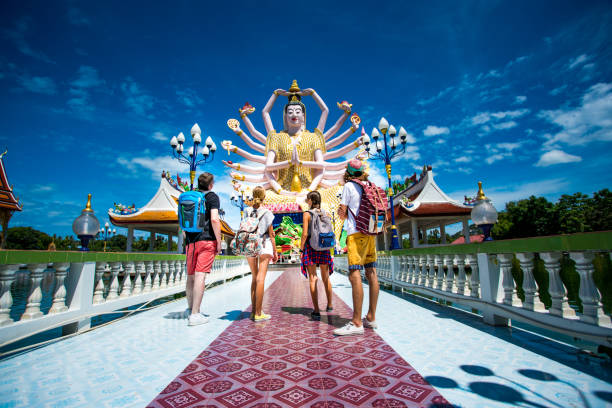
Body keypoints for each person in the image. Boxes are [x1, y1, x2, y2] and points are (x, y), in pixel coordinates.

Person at [333, 159, 380, 336]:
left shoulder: (349, 186)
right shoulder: (371, 185)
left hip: (355, 234)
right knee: (372, 273)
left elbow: (342, 213)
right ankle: (371, 317)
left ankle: (357, 321)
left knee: (354, 274)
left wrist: (341, 213)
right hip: (370, 232)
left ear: (349, 173)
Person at [184, 172, 222, 326]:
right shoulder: (212, 197)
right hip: (206, 241)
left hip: (190, 242)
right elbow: (214, 218)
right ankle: (195, 314)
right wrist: (218, 242)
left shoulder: (189, 197)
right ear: (211, 185)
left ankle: (189, 309)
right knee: (200, 276)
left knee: (191, 276)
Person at [300, 190, 334, 319]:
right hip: (324, 246)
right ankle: (330, 305)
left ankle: (316, 310)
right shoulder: (326, 213)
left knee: (313, 278)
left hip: (311, 247)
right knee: (326, 278)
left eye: (307, 199)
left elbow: (304, 234)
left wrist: (301, 250)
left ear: (310, 201)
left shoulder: (307, 214)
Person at [246, 186, 277, 321]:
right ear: (264, 197)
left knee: (254, 278)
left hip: (249, 244)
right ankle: (259, 313)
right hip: (264, 244)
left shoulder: (247, 211)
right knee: (261, 279)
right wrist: (275, 251)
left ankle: (254, 311)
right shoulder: (267, 213)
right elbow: (271, 234)